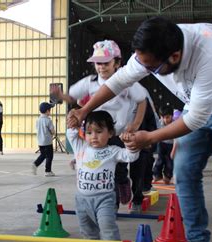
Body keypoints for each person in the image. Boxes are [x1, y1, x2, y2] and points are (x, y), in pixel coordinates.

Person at [68, 17, 212, 242]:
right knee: (183, 174)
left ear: (175, 56)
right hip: (197, 102)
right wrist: (84, 110)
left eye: (152, 69)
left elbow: (195, 119)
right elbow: (119, 81)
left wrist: (149, 137)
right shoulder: (155, 47)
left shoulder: (211, 57)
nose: (147, 71)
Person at [53, 39, 147, 206]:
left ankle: (123, 181)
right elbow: (72, 97)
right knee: (101, 167)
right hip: (96, 133)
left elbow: (142, 100)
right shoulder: (91, 82)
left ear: (117, 63)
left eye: (106, 63)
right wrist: (61, 96)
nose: (101, 67)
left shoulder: (126, 82)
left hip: (117, 132)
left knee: (119, 168)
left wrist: (135, 124)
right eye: (98, 63)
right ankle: (112, 205)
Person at [67, 110, 139, 242]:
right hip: (82, 200)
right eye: (89, 132)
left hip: (105, 198)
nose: (93, 136)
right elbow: (71, 133)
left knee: (107, 225)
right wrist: (73, 121)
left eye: (99, 132)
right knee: (87, 228)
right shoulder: (81, 147)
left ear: (110, 133)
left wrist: (130, 143)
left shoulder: (112, 151)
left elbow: (131, 156)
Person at [32, 102, 55, 176]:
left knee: (43, 155)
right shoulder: (48, 120)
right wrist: (53, 133)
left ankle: (36, 165)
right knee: (49, 156)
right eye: (50, 110)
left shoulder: (38, 120)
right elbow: (52, 131)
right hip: (47, 142)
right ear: (47, 111)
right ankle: (47, 170)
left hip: (40, 142)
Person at [153, 106, 175, 185]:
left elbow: (177, 139)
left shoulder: (175, 124)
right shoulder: (160, 123)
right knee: (160, 159)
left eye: (167, 117)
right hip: (161, 143)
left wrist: (174, 150)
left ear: (172, 116)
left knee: (170, 161)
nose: (165, 120)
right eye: (163, 117)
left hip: (171, 145)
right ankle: (157, 175)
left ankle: (167, 176)